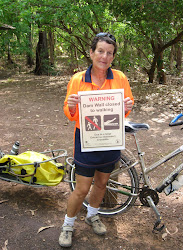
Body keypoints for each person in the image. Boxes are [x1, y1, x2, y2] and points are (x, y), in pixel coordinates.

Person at [59, 32, 134, 247]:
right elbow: (68, 111)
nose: (104, 56)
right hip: (86, 138)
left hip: (110, 136)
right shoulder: (78, 79)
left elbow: (125, 107)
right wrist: (71, 106)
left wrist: (127, 107)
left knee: (101, 183)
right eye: (100, 51)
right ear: (92, 53)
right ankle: (67, 225)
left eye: (109, 53)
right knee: (82, 188)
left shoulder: (119, 78)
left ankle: (92, 215)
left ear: (113, 57)